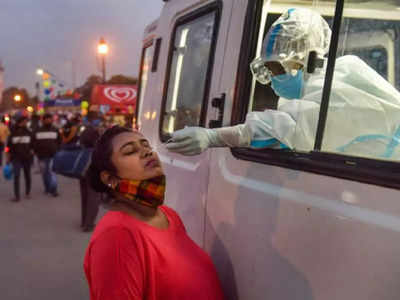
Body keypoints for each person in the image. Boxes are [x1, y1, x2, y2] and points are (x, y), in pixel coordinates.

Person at [166, 8, 400, 159]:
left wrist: (212, 137)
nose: (274, 78)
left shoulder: (337, 90)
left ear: (310, 60)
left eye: (278, 68)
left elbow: (285, 127)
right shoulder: (329, 82)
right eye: (269, 69)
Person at [83, 126, 225, 300]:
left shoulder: (168, 215)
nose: (146, 152)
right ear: (110, 178)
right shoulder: (117, 236)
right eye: (129, 151)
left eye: (146, 146)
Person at [79, 111, 101, 232]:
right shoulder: (94, 132)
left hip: (82, 167)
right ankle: (89, 224)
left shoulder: (83, 131)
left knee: (85, 196)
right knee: (93, 197)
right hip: (92, 168)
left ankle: (84, 221)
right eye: (98, 119)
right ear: (94, 119)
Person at [32, 113, 61, 197]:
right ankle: (47, 188)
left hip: (53, 155)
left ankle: (53, 190)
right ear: (43, 120)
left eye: (50, 119)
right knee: (45, 173)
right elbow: (33, 142)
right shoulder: (37, 130)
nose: (49, 120)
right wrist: (35, 151)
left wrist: (58, 150)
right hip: (42, 156)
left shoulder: (55, 130)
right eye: (47, 119)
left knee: (52, 172)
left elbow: (59, 141)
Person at [7, 114, 33, 201]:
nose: (26, 123)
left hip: (27, 157)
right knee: (16, 176)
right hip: (16, 158)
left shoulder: (29, 132)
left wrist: (33, 151)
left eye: (26, 121)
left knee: (27, 175)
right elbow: (8, 147)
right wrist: (7, 157)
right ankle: (17, 196)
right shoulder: (13, 133)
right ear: (20, 122)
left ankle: (27, 192)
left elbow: (33, 144)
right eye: (24, 121)